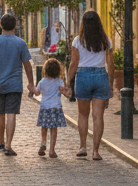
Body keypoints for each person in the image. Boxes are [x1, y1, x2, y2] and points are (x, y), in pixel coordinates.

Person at [0, 14, 35, 156]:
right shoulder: (20, 43)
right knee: (11, 113)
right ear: (15, 25)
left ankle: (0, 140)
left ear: (0, 25)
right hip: (14, 84)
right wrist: (31, 82)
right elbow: (27, 65)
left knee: (0, 112)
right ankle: (8, 145)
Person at [66, 10, 113, 161]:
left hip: (83, 77)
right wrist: (110, 84)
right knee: (98, 116)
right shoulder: (106, 40)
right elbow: (110, 63)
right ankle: (96, 152)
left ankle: (82, 147)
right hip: (101, 76)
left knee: (83, 114)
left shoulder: (77, 41)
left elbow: (74, 63)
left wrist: (68, 81)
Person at [33, 58, 71, 158]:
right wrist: (67, 92)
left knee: (44, 126)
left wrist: (31, 88)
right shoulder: (59, 81)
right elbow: (65, 93)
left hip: (45, 107)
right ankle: (52, 150)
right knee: (54, 129)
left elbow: (37, 93)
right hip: (56, 108)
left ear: (45, 70)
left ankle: (43, 142)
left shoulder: (42, 81)